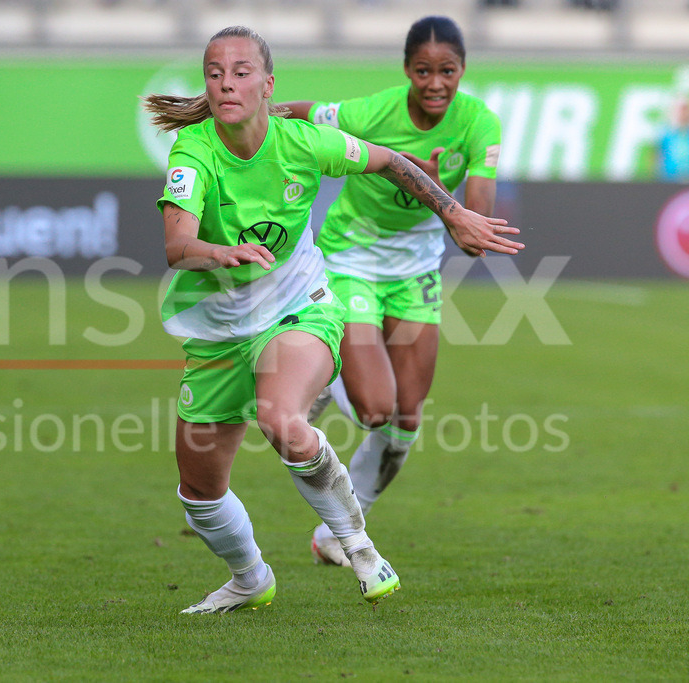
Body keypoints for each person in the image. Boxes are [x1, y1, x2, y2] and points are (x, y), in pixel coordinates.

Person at [144, 25, 520, 614]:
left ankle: (360, 549)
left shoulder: (305, 143)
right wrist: (217, 252)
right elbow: (177, 245)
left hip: (297, 307)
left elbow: (389, 161)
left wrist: (452, 214)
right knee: (199, 494)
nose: (226, 83)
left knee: (285, 420)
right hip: (219, 328)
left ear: (268, 84)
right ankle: (250, 579)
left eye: (241, 72)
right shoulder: (193, 151)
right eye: (215, 74)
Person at [277, 16, 523, 566]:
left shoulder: (479, 122)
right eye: (423, 71)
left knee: (405, 421)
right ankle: (328, 372)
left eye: (447, 71)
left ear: (463, 70)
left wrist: (450, 201)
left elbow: (476, 220)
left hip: (415, 272)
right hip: (351, 260)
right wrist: (248, 112)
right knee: (375, 409)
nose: (436, 83)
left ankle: (334, 537)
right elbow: (304, 112)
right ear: (407, 69)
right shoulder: (373, 113)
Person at [657, 95, 689, 181]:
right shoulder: (665, 134)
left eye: (685, 109)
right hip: (670, 179)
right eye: (679, 109)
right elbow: (659, 158)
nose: (682, 112)